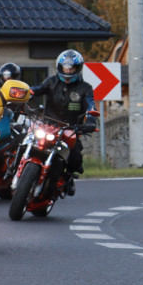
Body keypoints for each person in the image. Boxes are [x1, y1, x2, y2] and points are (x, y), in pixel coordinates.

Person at [29, 49, 96, 195]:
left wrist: (91, 119)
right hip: (47, 125)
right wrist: (25, 94)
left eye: (71, 68)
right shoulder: (51, 81)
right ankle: (15, 168)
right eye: (65, 67)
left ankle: (68, 177)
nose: (68, 70)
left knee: (76, 155)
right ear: (60, 67)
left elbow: (91, 105)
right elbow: (37, 90)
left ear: (78, 68)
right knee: (26, 139)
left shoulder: (85, 88)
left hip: (70, 128)